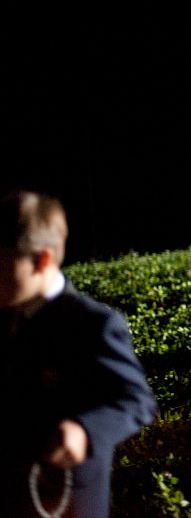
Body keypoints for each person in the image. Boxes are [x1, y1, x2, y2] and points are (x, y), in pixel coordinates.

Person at [0, 190, 158, 518]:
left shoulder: (93, 324)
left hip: (65, 500)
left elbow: (136, 400)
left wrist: (85, 430)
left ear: (41, 260)